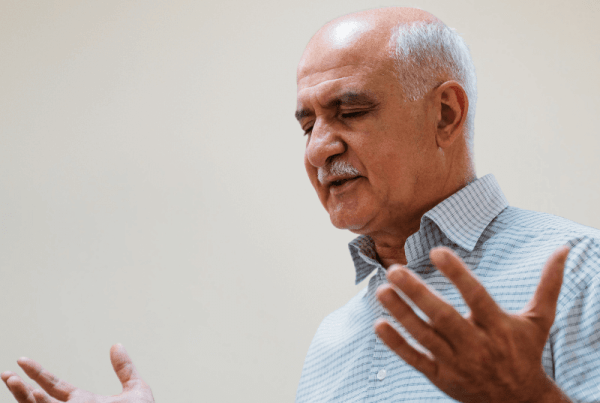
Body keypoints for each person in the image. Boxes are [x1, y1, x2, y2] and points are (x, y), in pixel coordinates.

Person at [2, 6, 599, 403]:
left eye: (350, 112)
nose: (318, 148)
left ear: (445, 114)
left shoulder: (578, 269)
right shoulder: (333, 339)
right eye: (307, 124)